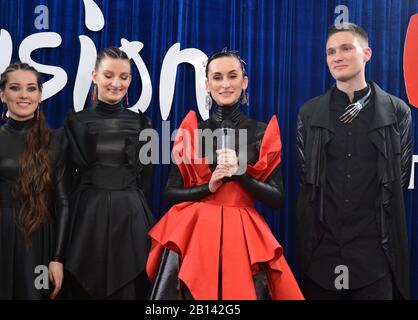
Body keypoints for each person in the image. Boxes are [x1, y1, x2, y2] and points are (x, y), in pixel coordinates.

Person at [147, 50, 304, 300]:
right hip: (195, 236)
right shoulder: (193, 131)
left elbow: (277, 198)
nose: (225, 84)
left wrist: (240, 174)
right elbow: (170, 193)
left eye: (232, 76)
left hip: (244, 238)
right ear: (207, 84)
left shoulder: (261, 132)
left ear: (245, 81)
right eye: (217, 77)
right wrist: (207, 187)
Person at [296, 22, 413, 300]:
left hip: (376, 258)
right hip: (320, 257)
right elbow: (307, 181)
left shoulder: (397, 112)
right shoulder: (309, 113)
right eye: (330, 52)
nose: (337, 57)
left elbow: (400, 179)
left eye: (346, 48)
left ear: (367, 53)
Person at [0, 62, 69, 300]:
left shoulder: (55, 141)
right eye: (15, 88)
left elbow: (63, 201)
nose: (24, 95)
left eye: (31, 88)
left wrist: (57, 258)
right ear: (3, 95)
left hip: (36, 240)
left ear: (40, 95)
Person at [63, 47, 154, 299]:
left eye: (124, 77)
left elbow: (145, 182)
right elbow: (64, 182)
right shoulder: (75, 122)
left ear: (130, 80)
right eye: (108, 75)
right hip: (84, 222)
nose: (116, 83)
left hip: (130, 222)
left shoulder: (144, 125)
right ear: (94, 75)